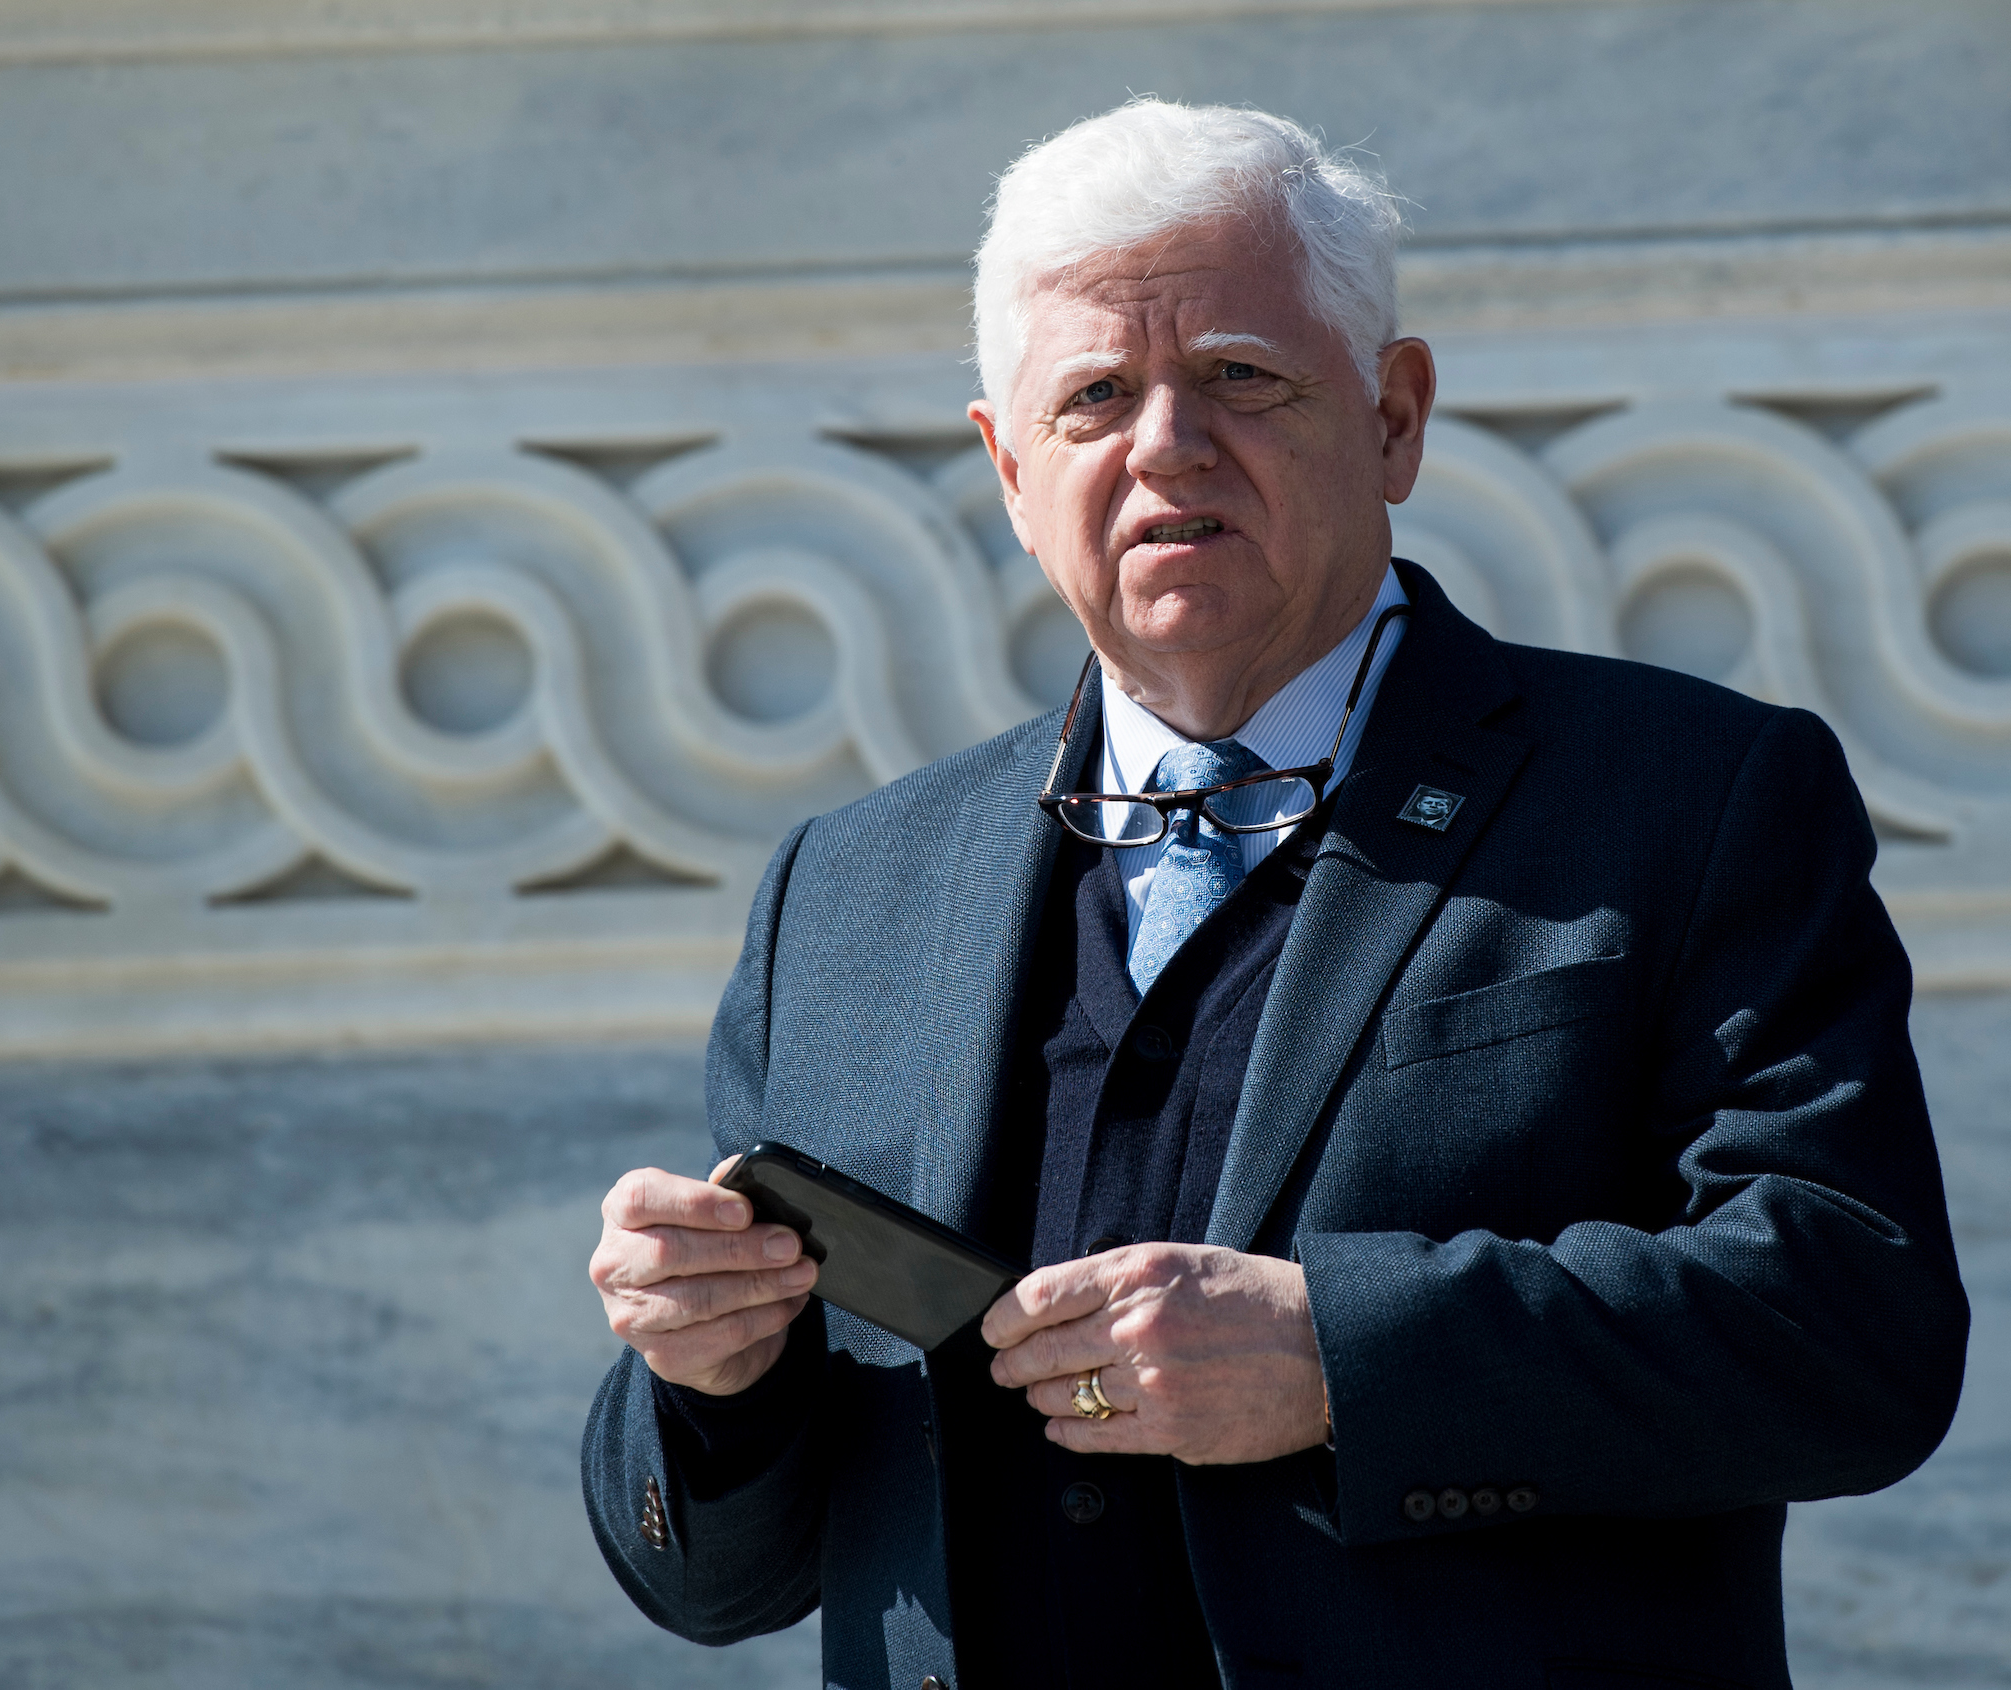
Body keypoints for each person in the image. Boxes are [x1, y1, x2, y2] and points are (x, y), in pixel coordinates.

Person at [581, 99, 1968, 1689]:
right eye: (1096, 395)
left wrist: (1336, 1356)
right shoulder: (849, 889)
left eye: (1240, 375)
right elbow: (705, 1581)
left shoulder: (1692, 797)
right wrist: (709, 1374)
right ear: (1010, 468)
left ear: (1393, 415)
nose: (1166, 443)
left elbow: (1851, 1327)